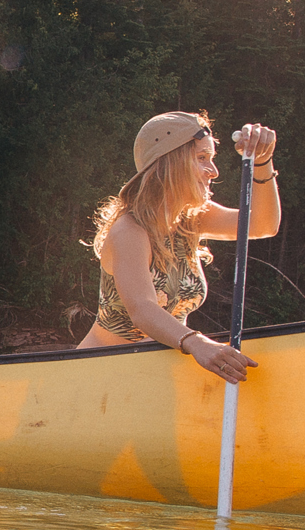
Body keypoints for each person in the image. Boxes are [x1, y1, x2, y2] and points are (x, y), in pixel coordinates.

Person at [76, 111, 281, 383]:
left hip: (155, 378)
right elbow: (142, 310)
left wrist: (262, 161)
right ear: (171, 163)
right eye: (201, 158)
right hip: (95, 377)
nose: (214, 171)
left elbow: (261, 225)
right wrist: (199, 344)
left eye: (212, 159)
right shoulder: (129, 231)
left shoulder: (192, 220)